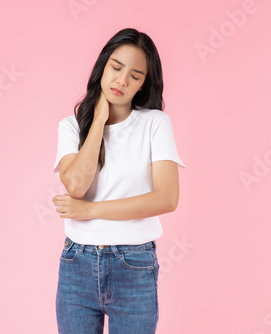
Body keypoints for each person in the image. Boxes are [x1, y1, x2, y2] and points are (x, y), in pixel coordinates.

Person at [52, 27, 186, 334]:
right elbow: (75, 186)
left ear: (142, 84)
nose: (122, 80)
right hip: (77, 264)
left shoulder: (155, 124)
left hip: (134, 264)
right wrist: (98, 119)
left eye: (135, 75)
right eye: (116, 68)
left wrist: (91, 210)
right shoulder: (71, 127)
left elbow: (166, 198)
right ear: (103, 65)